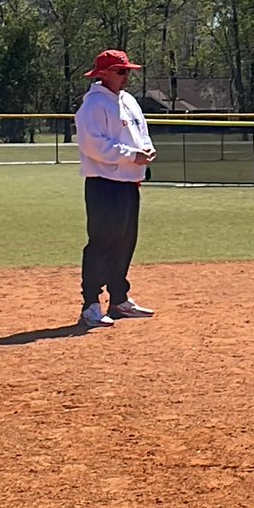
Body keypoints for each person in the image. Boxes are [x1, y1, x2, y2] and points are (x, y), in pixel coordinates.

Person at [74, 49, 156, 327]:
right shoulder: (93, 106)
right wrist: (132, 155)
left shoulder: (129, 101)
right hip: (104, 184)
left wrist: (146, 149)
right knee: (101, 244)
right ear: (103, 74)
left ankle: (119, 299)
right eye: (121, 72)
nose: (126, 77)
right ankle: (91, 305)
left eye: (128, 72)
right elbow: (92, 145)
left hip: (128, 183)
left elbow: (141, 132)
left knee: (125, 242)